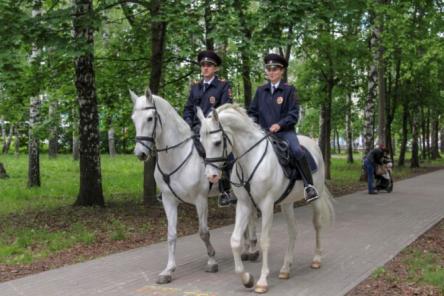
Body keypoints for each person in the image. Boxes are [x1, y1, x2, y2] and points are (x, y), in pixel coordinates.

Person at [248, 53, 319, 203]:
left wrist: (279, 125)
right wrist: (253, 124)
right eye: (269, 69)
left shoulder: (289, 90)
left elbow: (293, 114)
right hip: (263, 133)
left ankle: (309, 186)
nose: (271, 72)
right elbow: (252, 112)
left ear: (282, 71)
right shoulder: (261, 91)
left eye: (275, 69)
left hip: (285, 132)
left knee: (298, 151)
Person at [183, 50, 236, 206]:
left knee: (225, 153)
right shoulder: (195, 88)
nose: (205, 68)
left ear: (216, 68)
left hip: (215, 128)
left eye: (209, 65)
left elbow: (227, 108)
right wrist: (187, 121)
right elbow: (188, 108)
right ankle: (174, 184)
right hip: (196, 128)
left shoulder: (223, 86)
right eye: (203, 65)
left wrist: (212, 121)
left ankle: (225, 190)